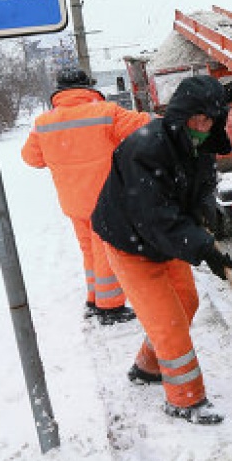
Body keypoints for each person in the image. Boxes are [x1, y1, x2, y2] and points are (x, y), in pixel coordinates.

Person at [91, 75, 232, 425]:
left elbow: (203, 184)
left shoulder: (201, 145)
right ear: (181, 113)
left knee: (186, 302)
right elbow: (155, 218)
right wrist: (204, 248)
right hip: (130, 243)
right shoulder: (146, 149)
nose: (203, 127)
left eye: (210, 120)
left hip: (164, 240)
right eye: (197, 118)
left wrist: (206, 209)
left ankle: (147, 367)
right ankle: (185, 400)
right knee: (169, 322)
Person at [21, 68, 150, 325]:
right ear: (87, 87)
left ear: (59, 90)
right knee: (106, 251)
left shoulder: (44, 122)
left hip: (73, 201)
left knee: (89, 251)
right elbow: (143, 127)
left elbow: (31, 158)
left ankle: (94, 299)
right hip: (104, 199)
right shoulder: (105, 112)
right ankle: (110, 307)